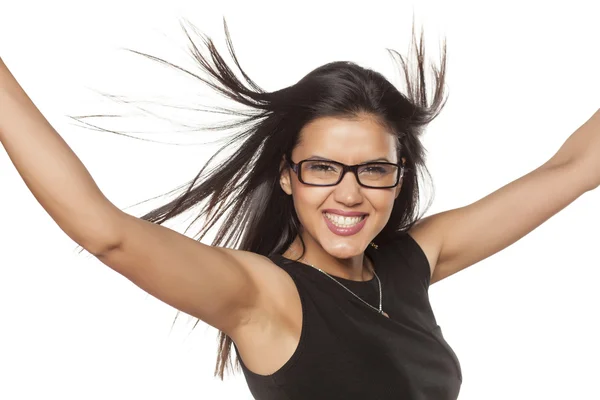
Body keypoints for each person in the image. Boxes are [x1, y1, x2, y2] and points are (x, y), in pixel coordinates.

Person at [1, 19, 598, 400]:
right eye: (322, 169)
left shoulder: (412, 261)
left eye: (373, 169)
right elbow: (109, 234)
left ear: (398, 177)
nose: (348, 193)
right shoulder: (265, 295)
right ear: (288, 176)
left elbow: (570, 170)